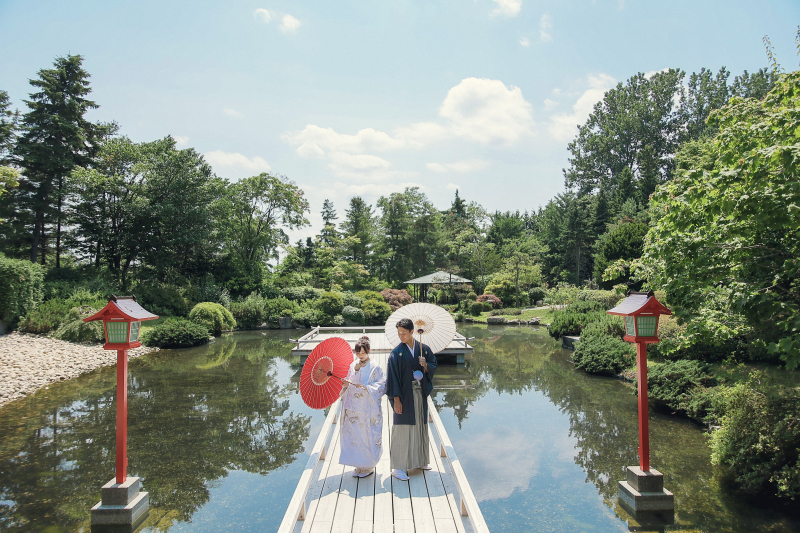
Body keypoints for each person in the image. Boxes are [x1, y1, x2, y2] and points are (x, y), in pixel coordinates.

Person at [386, 317, 437, 481]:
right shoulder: (396, 353)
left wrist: (425, 365)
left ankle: (420, 461)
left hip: (419, 393)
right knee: (403, 428)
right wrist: (396, 400)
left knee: (420, 425)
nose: (401, 336)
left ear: (412, 332)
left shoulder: (424, 349)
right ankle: (398, 467)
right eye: (399, 333)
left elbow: (433, 365)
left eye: (404, 333)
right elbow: (392, 377)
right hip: (404, 394)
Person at [339, 336, 386, 478]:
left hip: (367, 406)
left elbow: (382, 384)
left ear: (369, 351)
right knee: (354, 435)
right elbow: (349, 380)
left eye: (363, 353)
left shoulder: (375, 367)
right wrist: (346, 384)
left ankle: (368, 465)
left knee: (367, 435)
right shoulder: (353, 365)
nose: (360, 355)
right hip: (353, 406)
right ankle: (359, 464)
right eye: (358, 353)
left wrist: (367, 387)